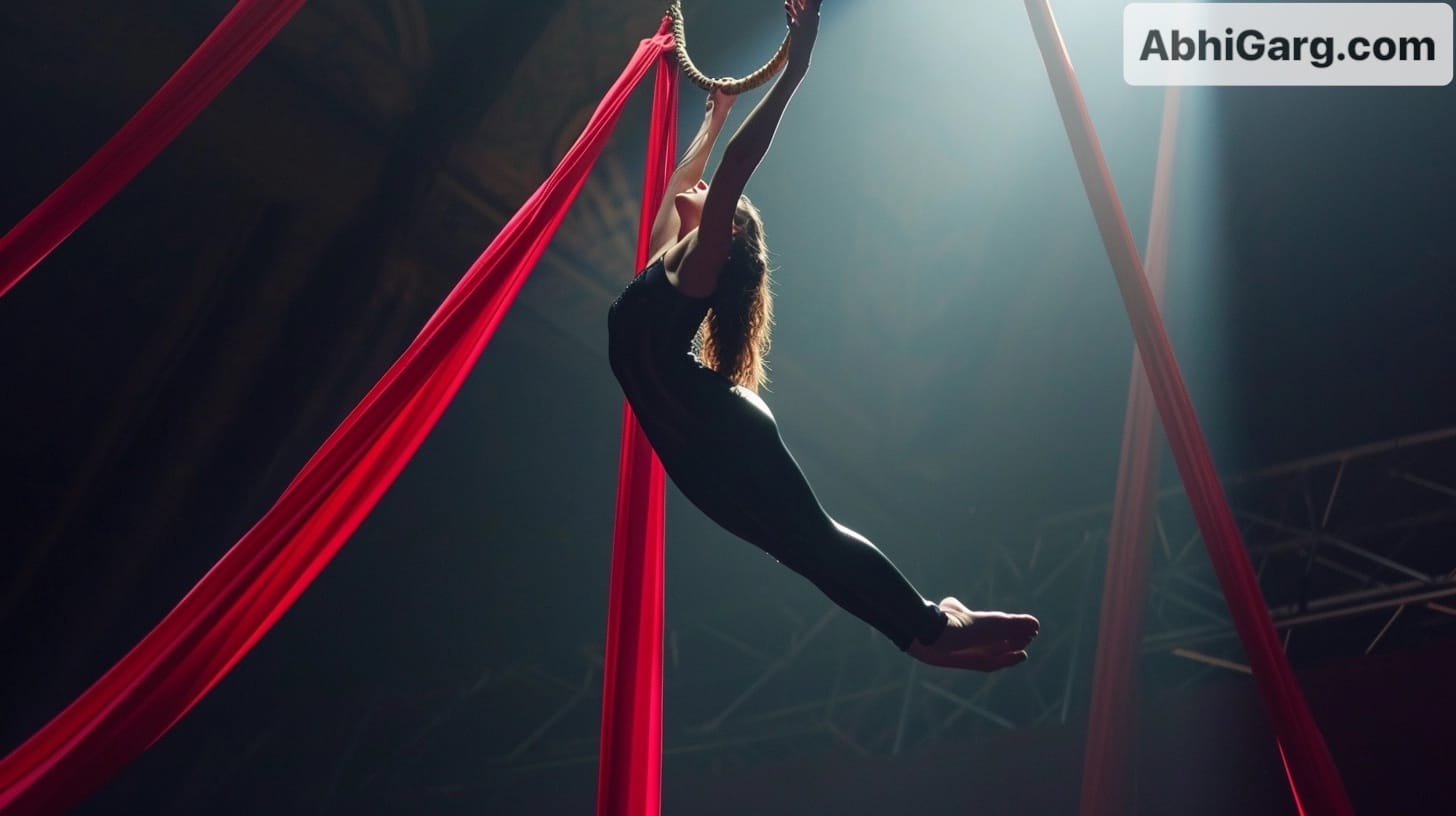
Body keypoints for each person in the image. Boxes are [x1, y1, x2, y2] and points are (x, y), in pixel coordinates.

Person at [608, 0, 1038, 670]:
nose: (708, 192)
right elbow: (683, 180)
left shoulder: (696, 269)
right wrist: (714, 117)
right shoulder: (670, 262)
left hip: (716, 430)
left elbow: (729, 174)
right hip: (694, 443)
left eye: (727, 205)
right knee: (800, 549)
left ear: (726, 232)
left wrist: (796, 69)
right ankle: (924, 634)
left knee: (812, 537)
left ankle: (931, 628)